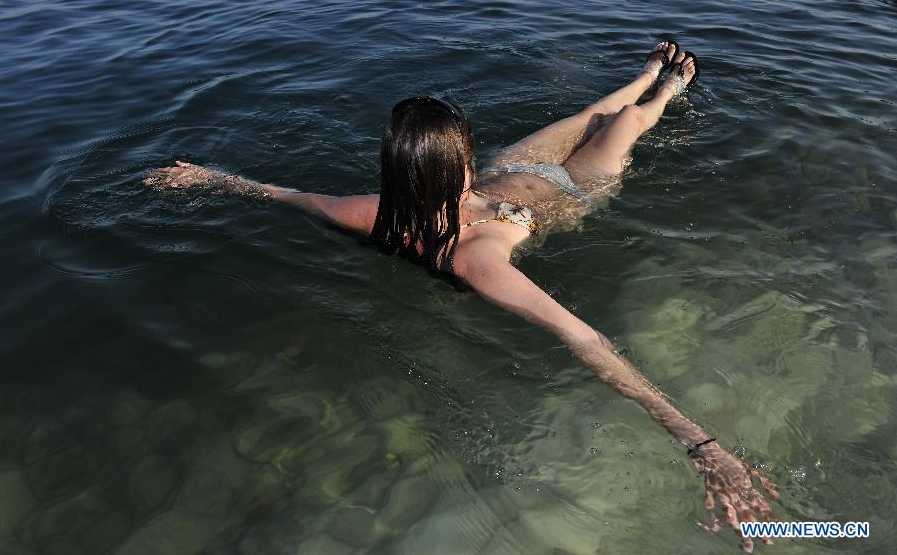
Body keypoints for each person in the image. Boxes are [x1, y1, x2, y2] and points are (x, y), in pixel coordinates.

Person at [146, 43, 777, 552]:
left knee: (592, 115)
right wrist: (700, 442)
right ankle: (665, 90)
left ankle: (642, 73)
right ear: (462, 168)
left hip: (510, 178)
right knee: (625, 127)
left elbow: (280, 193)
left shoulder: (368, 211)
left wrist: (208, 178)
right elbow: (582, 337)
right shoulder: (477, 260)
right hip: (572, 191)